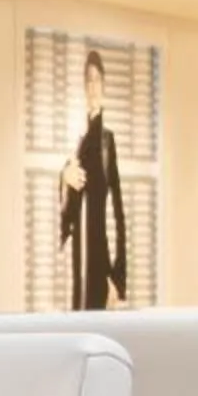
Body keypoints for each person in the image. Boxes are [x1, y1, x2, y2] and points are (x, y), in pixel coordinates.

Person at [58, 49, 128, 309]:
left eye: (97, 79)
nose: (93, 85)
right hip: (78, 250)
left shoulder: (107, 142)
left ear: (104, 84)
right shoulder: (77, 139)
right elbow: (66, 204)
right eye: (88, 79)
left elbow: (119, 212)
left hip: (100, 249)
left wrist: (119, 277)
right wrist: (64, 177)